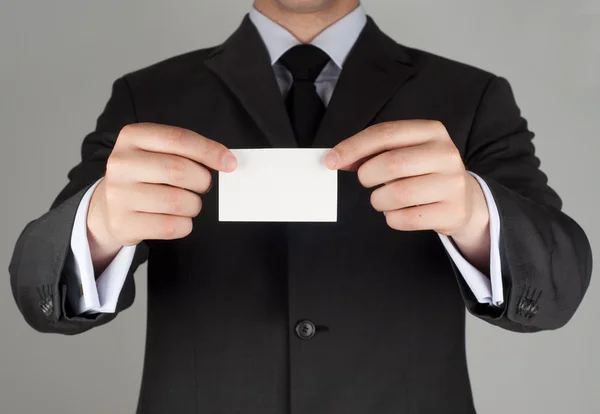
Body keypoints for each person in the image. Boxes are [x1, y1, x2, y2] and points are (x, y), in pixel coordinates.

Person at [9, 0, 593, 413]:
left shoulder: (471, 96)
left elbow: (556, 286)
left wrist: (476, 213)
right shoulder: (148, 96)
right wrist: (97, 226)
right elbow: (39, 289)